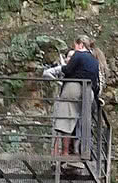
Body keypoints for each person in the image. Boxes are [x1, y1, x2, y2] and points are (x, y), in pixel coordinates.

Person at [44, 36, 100, 165]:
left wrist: (56, 71)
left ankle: (64, 153)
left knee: (66, 120)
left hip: (73, 88)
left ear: (80, 44)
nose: (75, 48)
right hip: (89, 92)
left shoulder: (78, 55)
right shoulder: (94, 60)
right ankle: (82, 151)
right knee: (83, 122)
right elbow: (96, 82)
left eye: (75, 45)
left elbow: (68, 70)